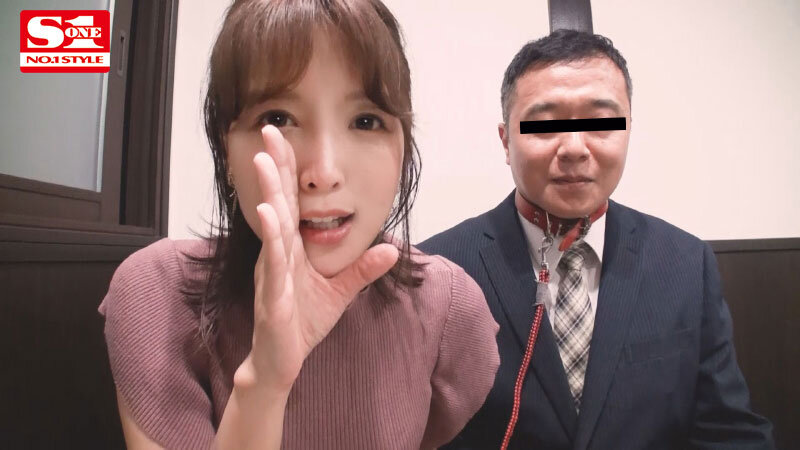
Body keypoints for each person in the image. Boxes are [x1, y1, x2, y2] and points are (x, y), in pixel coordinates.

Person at [99, 1, 499, 448]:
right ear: (225, 147)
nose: (323, 173)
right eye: (277, 119)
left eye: (365, 121)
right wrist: (264, 381)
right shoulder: (157, 295)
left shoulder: (449, 308)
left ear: (404, 146)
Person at [419, 29, 774, 449]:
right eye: (544, 126)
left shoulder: (685, 263)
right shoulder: (438, 269)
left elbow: (728, 430)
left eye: (601, 122)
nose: (574, 148)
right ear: (506, 141)